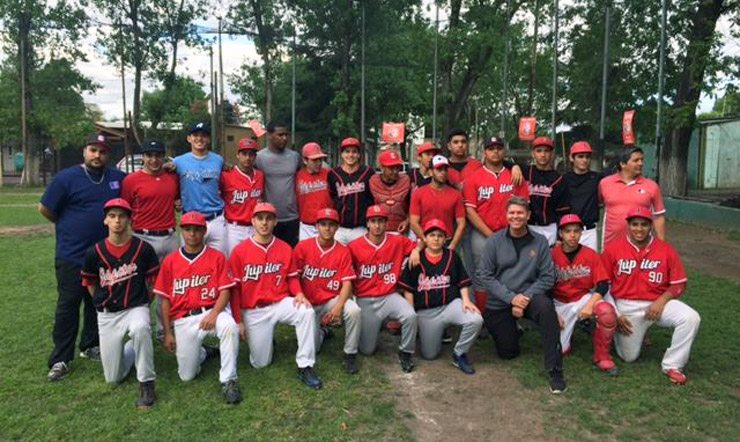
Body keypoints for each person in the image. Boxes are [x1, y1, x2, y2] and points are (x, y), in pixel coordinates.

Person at [39, 133, 127, 382]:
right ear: (84, 151)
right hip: (71, 254)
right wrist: (68, 225)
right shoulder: (66, 178)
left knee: (97, 302)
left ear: (108, 155)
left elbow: (140, 181)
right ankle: (60, 359)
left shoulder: (115, 178)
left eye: (102, 151)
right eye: (93, 150)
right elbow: (45, 208)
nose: (97, 155)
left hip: (103, 255)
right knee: (68, 304)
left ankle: (90, 345)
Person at [476, 196, 566, 394]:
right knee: (508, 352)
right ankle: (514, 331)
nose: (515, 216)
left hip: (530, 298)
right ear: (507, 215)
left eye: (520, 213)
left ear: (527, 215)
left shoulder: (540, 241)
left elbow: (547, 277)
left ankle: (555, 369)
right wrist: (511, 298)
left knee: (546, 307)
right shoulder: (494, 241)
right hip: (500, 302)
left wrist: (523, 299)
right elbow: (485, 276)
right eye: (512, 213)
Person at [228, 202, 323, 389]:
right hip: (254, 311)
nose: (264, 223)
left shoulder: (285, 248)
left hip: (280, 303)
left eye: (269, 218)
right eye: (260, 218)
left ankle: (305, 365)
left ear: (275, 221)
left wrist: (299, 294)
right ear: (253, 221)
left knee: (306, 311)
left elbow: (292, 278)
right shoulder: (239, 252)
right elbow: (235, 290)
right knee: (260, 363)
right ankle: (267, 336)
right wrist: (238, 320)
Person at [601, 207, 700, 385]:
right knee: (629, 357)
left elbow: (679, 282)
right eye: (635, 224)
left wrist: (661, 301)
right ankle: (618, 332)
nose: (639, 229)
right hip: (626, 305)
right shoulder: (613, 249)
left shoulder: (666, 250)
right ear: (628, 226)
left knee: (690, 318)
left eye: (644, 224)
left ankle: (672, 365)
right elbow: (603, 286)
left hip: (658, 303)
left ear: (651, 226)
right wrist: (616, 314)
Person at [154, 211, 242, 403]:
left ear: (204, 232)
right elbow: (165, 300)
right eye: (187, 229)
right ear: (181, 231)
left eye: (197, 230)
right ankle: (203, 352)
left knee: (229, 327)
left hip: (212, 310)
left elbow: (225, 291)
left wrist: (215, 314)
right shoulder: (170, 261)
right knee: (187, 376)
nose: (192, 234)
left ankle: (228, 380)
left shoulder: (217, 257)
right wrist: (168, 333)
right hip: (184, 319)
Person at [81, 198, 159, 408]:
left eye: (122, 216)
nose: (117, 221)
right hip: (108, 314)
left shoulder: (143, 248)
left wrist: (144, 303)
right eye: (112, 216)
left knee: (141, 327)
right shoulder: (94, 252)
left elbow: (153, 282)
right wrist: (100, 300)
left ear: (129, 220)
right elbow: (89, 282)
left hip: (136, 308)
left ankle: (146, 382)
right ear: (105, 220)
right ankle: (132, 348)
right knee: (113, 378)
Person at [399, 219, 483, 374]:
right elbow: (408, 288)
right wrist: (411, 312)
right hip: (426, 312)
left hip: (450, 305)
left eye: (440, 235)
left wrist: (466, 300)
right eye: (432, 235)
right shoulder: (416, 258)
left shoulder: (452, 256)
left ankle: (459, 354)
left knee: (475, 319)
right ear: (424, 238)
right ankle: (432, 334)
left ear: (445, 239)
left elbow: (462, 281)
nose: (436, 239)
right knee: (430, 355)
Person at [348, 205, 422, 372]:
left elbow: (422, 239)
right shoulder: (354, 246)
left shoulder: (397, 241)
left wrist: (416, 250)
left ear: (386, 223)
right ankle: (373, 326)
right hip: (365, 299)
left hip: (390, 296)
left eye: (380, 221)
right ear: (367, 224)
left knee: (410, 315)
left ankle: (406, 352)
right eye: (373, 221)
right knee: (367, 351)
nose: (377, 225)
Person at [289, 208, 361, 374]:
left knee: (354, 310)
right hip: (308, 303)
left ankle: (350, 354)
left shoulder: (343, 251)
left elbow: (347, 282)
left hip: (330, 300)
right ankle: (321, 331)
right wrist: (299, 296)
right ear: (316, 226)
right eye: (323, 224)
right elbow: (293, 277)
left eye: (331, 224)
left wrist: (339, 306)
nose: (327, 228)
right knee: (314, 349)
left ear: (337, 228)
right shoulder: (303, 247)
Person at [121, 138, 180, 340]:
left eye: (157, 155)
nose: (154, 159)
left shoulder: (172, 177)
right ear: (143, 157)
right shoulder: (131, 180)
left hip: (170, 235)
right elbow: (125, 208)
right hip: (143, 237)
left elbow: (177, 199)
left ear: (163, 156)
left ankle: (165, 330)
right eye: (149, 155)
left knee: (170, 286)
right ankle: (140, 328)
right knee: (143, 287)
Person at [462, 137, 528, 314]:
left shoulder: (514, 176)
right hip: (482, 234)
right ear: (485, 152)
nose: (495, 151)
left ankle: (509, 314)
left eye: (499, 148)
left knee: (511, 274)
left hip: (511, 234)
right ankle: (484, 316)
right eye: (491, 148)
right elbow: (470, 211)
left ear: (504, 152)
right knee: (482, 274)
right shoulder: (474, 178)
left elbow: (523, 207)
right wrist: (491, 236)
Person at [551, 214, 618, 375]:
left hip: (581, 299)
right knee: (560, 351)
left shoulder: (590, 254)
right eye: (567, 231)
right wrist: (551, 313)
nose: (572, 235)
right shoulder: (551, 254)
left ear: (581, 233)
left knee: (606, 312)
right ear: (561, 233)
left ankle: (602, 356)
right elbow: (543, 288)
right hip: (558, 303)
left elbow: (602, 284)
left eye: (576, 231)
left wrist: (589, 305)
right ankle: (568, 334)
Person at [173, 122, 227, 254]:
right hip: (191, 220)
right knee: (191, 263)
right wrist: (176, 199)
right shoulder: (178, 162)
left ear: (208, 139)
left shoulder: (218, 160)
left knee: (220, 261)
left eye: (203, 135)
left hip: (216, 219)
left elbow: (224, 182)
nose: (199, 138)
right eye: (195, 135)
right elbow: (170, 183)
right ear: (189, 138)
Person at [599, 146, 666, 246]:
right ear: (622, 164)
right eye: (636, 160)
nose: (640, 163)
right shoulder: (604, 183)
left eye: (642, 160)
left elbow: (658, 217)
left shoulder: (652, 186)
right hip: (610, 247)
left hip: (641, 247)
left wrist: (662, 245)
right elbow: (598, 204)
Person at [256, 121, 302, 247]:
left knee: (290, 256)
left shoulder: (295, 157)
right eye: (280, 135)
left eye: (286, 135)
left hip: (291, 217)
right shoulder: (259, 158)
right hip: (268, 218)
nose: (284, 138)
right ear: (270, 135)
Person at [409, 155, 466, 250]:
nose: (443, 173)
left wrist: (453, 245)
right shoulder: (418, 193)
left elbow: (461, 223)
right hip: (424, 242)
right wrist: (427, 240)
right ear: (431, 172)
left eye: (445, 169)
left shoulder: (456, 195)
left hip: (446, 242)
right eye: (439, 169)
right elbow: (414, 222)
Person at [221, 137, 264, 256]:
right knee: (234, 262)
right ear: (237, 155)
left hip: (256, 227)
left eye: (251, 154)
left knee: (254, 262)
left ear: (255, 157)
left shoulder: (260, 176)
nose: (247, 158)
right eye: (244, 154)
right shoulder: (226, 175)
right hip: (234, 228)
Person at [525, 137, 571, 247]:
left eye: (546, 151)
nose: (543, 154)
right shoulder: (526, 171)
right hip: (528, 227)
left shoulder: (559, 179)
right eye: (539, 150)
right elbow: (504, 164)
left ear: (552, 154)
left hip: (549, 228)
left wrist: (560, 238)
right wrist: (515, 167)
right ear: (533, 153)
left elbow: (562, 211)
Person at [329, 137, 375, 245]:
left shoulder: (368, 172)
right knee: (338, 260)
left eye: (354, 152)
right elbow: (332, 198)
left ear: (359, 155)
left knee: (361, 259)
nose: (350, 155)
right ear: (342, 154)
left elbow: (372, 198)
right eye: (347, 151)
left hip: (361, 228)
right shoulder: (333, 174)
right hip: (339, 228)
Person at [563, 141, 605, 251]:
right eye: (580, 156)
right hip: (569, 230)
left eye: (587, 157)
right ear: (572, 158)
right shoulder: (563, 180)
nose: (584, 160)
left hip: (589, 231)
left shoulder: (597, 178)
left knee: (591, 266)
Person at [296, 142, 333, 241]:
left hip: (326, 224)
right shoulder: (298, 176)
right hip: (306, 225)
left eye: (320, 159)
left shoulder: (329, 174)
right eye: (314, 160)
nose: (319, 163)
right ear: (305, 160)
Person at [369, 149, 412, 235]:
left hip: (400, 229)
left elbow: (413, 207)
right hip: (378, 231)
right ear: (382, 167)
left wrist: (407, 221)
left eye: (397, 167)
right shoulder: (372, 182)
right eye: (391, 168)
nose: (395, 171)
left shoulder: (406, 181)